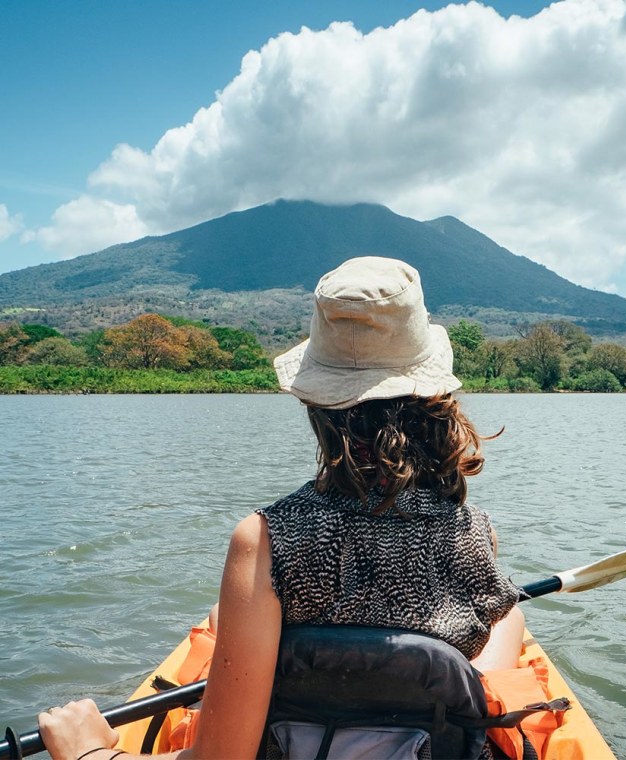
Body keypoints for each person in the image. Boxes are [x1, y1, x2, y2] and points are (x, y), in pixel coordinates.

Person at [38, 256, 525, 760]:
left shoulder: (267, 540)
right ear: (435, 395)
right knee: (508, 618)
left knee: (223, 616)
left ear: (317, 405)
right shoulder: (474, 531)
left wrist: (90, 754)